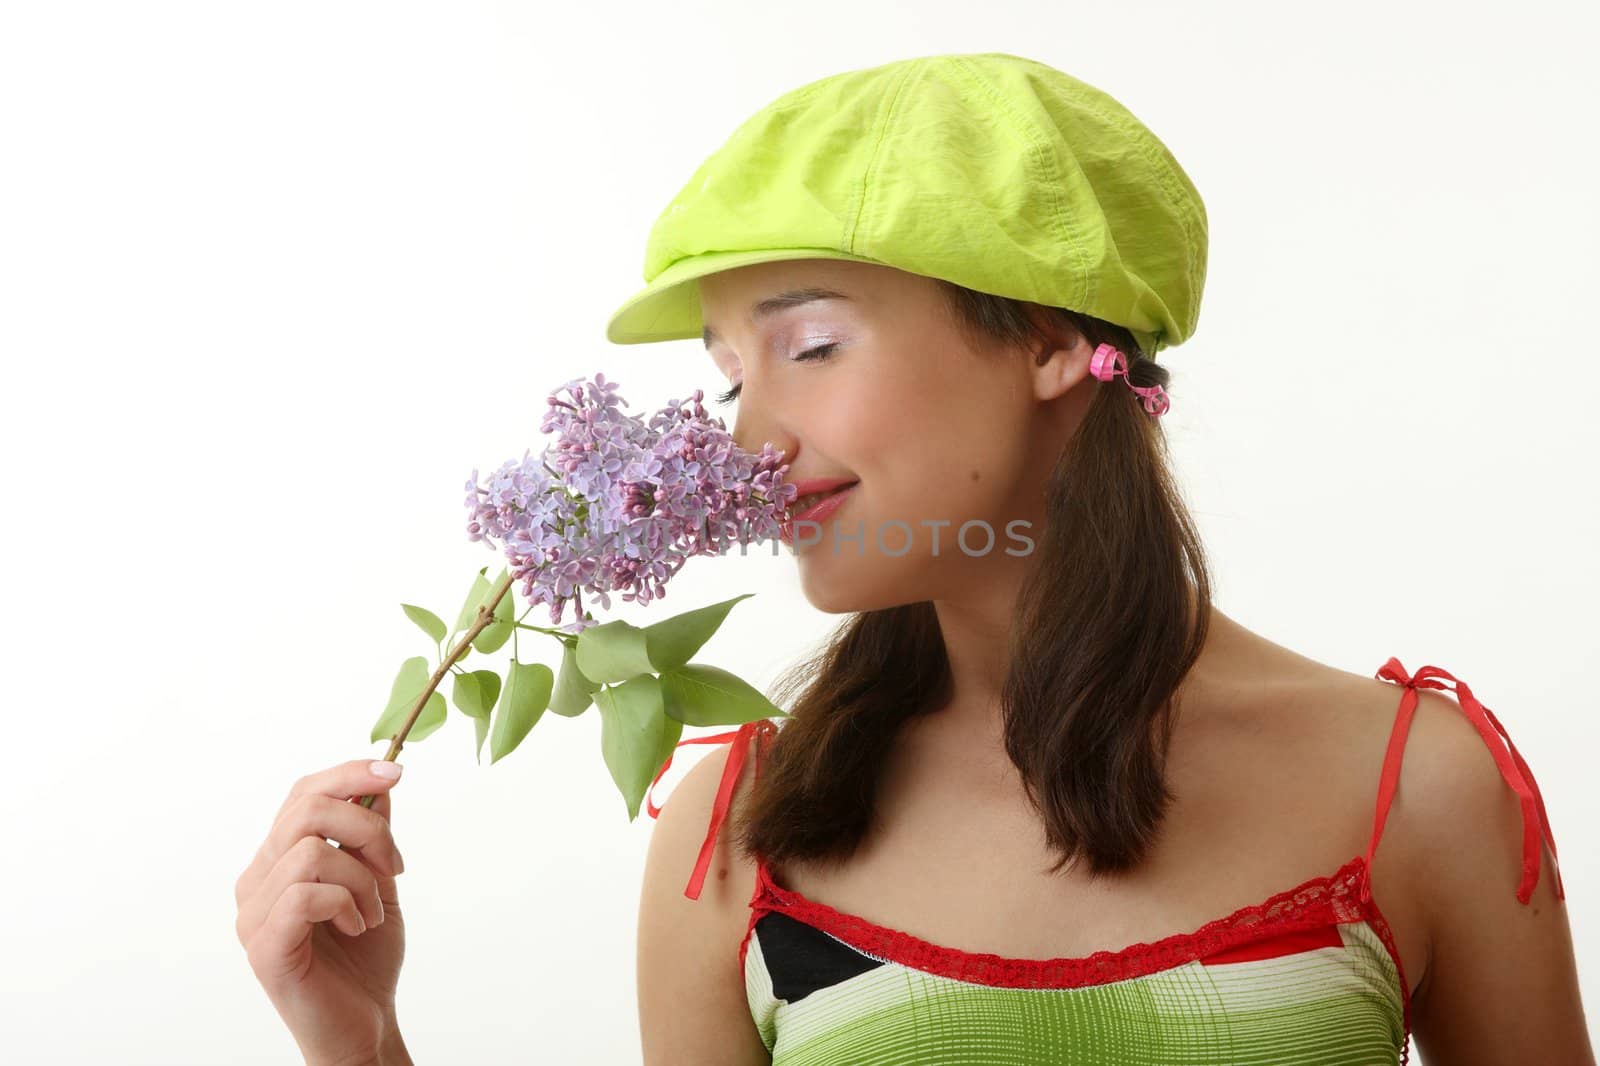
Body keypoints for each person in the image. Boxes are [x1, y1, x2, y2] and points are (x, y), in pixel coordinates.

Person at [235, 53, 1593, 1065]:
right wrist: (356, 1036)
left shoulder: (1416, 790)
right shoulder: (737, 838)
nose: (752, 437)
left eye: (810, 344)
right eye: (725, 378)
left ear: (1057, 341)